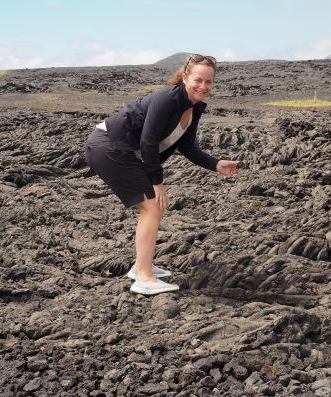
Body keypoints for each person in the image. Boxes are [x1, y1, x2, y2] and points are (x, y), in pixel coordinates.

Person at [84, 54, 238, 295]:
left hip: (120, 149)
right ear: (185, 77)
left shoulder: (193, 106)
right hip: (107, 145)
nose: (203, 87)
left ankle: (141, 268)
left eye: (209, 82)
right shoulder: (167, 99)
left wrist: (216, 164)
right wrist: (158, 183)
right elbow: (148, 142)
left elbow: (187, 146)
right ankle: (143, 277)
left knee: (153, 208)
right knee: (153, 206)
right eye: (198, 80)